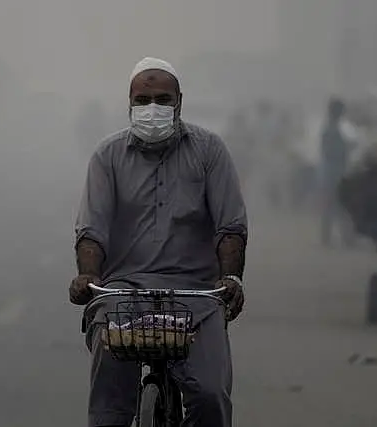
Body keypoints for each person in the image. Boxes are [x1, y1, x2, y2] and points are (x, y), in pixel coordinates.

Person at [70, 57, 248, 427]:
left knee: (211, 396)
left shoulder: (210, 151)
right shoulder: (108, 155)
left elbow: (230, 226)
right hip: (122, 294)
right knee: (109, 399)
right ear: (130, 104)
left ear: (180, 102)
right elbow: (92, 229)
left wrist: (231, 278)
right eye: (143, 99)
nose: (153, 108)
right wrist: (87, 275)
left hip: (197, 296)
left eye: (163, 99)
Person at [319, 97, 355, 247]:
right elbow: (330, 151)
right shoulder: (331, 130)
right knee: (340, 206)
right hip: (334, 173)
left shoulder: (330, 128)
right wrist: (347, 148)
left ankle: (330, 238)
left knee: (334, 207)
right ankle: (343, 238)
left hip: (331, 173)